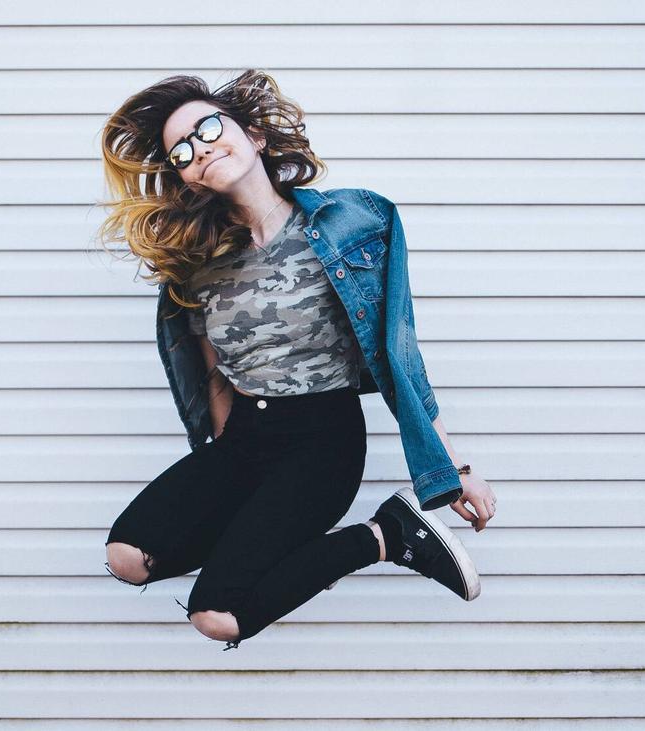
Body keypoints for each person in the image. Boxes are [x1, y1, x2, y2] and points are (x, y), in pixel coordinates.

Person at [93, 69, 497, 650]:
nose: (199, 148)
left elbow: (400, 355)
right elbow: (209, 369)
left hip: (322, 443)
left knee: (217, 617)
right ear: (186, 177)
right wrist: (224, 454)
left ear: (254, 136)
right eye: (181, 151)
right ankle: (269, 541)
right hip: (245, 439)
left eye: (209, 128)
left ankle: (385, 536)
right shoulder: (195, 262)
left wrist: (451, 469)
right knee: (128, 556)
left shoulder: (353, 224)